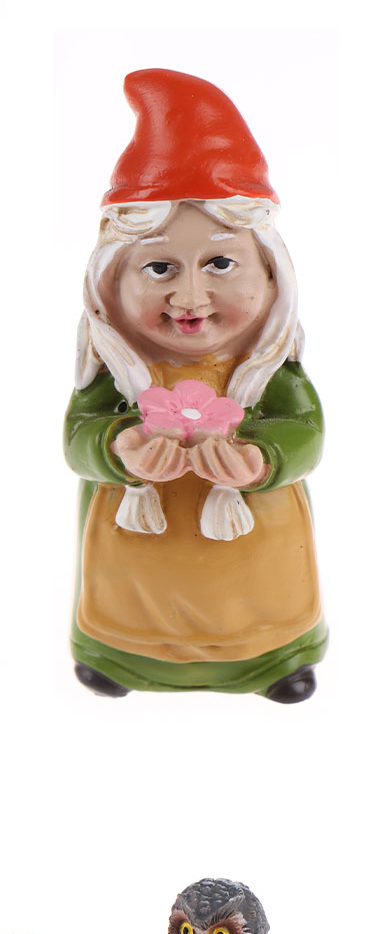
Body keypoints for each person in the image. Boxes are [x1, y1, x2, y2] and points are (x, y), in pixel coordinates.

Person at [66, 68, 324, 701]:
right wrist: (116, 446)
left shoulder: (267, 368)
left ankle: (271, 659)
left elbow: (307, 432)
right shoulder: (116, 369)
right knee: (131, 599)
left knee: (258, 595)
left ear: (271, 275)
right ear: (111, 282)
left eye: (220, 263)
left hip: (254, 549)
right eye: (159, 267)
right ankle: (121, 657)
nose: (190, 296)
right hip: (137, 549)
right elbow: (77, 437)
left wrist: (263, 458)